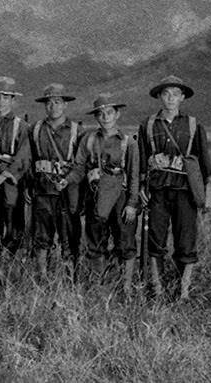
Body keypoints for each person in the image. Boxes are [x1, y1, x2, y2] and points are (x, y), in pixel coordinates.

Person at [138, 75, 211, 299]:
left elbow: (204, 162)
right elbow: (143, 159)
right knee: (155, 238)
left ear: (182, 98)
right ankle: (158, 289)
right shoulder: (148, 124)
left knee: (186, 240)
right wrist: (142, 187)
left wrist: (208, 194)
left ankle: (183, 292)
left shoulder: (193, 124)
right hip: (157, 191)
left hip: (185, 191)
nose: (170, 98)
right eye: (166, 93)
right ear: (159, 97)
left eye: (175, 94)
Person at [64, 93, 139, 295]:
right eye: (101, 114)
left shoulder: (128, 142)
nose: (105, 117)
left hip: (120, 198)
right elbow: (79, 168)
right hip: (95, 196)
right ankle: (99, 286)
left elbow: (133, 176)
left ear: (117, 114)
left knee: (125, 242)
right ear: (96, 117)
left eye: (109, 113)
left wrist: (132, 203)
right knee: (95, 241)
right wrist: (68, 179)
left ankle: (126, 287)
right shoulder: (88, 140)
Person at [28, 84, 84, 276]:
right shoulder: (36, 129)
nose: (53, 107)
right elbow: (30, 161)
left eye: (58, 102)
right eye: (49, 103)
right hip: (42, 190)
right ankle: (41, 275)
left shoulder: (77, 131)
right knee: (41, 235)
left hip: (67, 192)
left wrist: (69, 182)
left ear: (65, 105)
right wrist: (30, 185)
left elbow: (81, 165)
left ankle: (70, 278)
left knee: (69, 236)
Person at [0, 76, 30, 261]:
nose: (1, 101)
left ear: (13, 101)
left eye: (6, 97)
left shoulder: (22, 126)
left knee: (13, 220)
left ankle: (11, 261)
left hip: (10, 181)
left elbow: (24, 156)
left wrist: (5, 175)